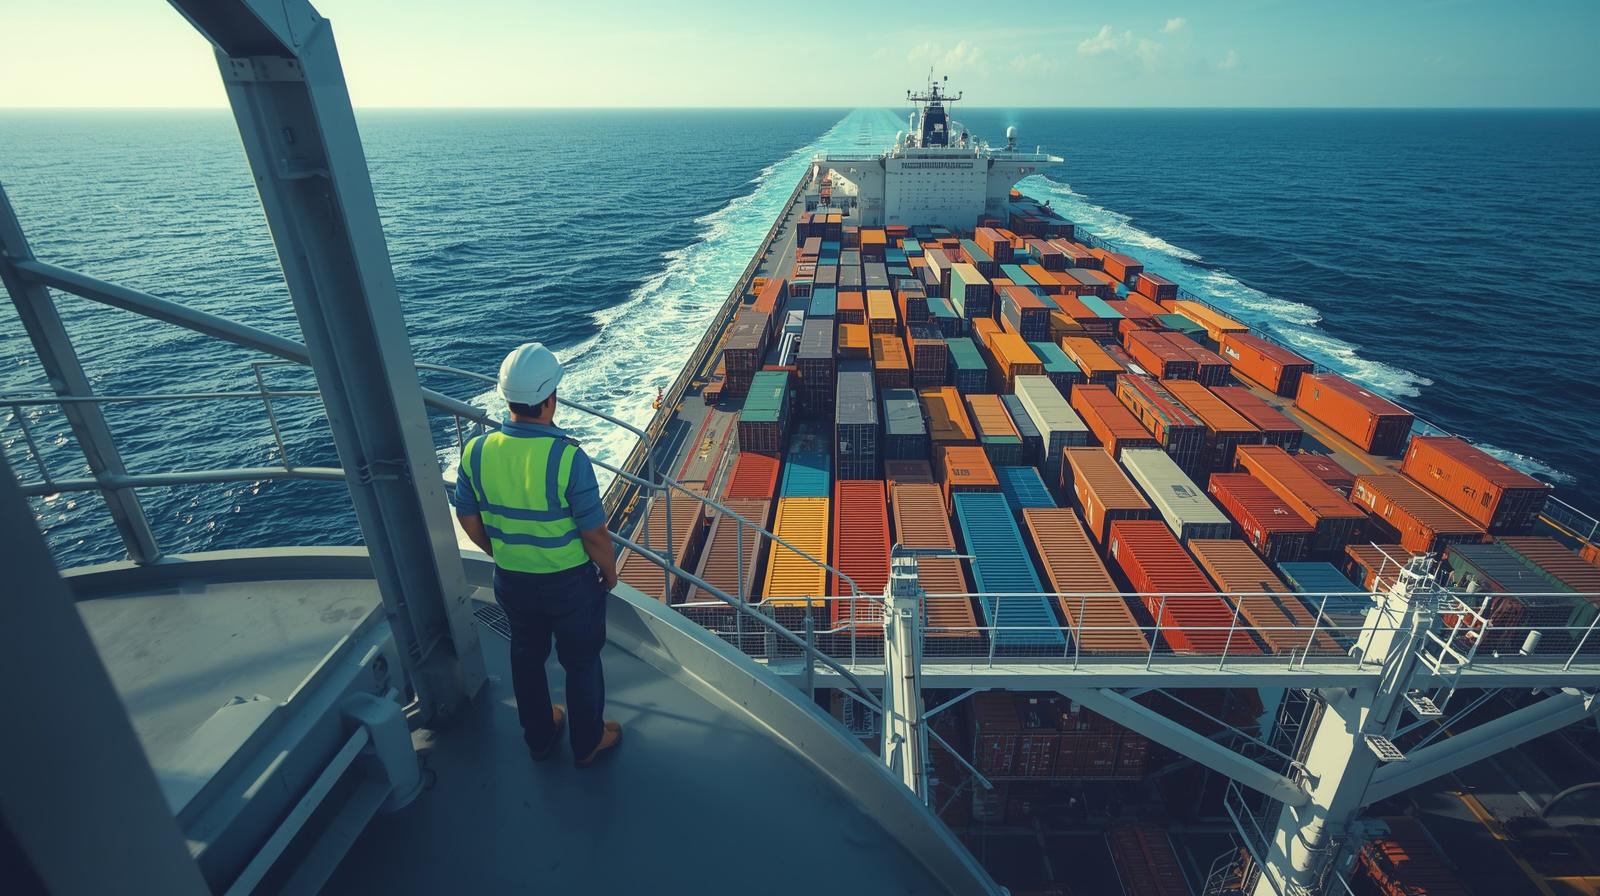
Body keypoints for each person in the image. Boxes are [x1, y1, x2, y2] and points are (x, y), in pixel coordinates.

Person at [453, 342, 622, 767]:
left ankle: (540, 737)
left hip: (512, 580)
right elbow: (594, 534)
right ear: (549, 400)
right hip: (570, 585)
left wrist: (501, 551)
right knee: (581, 662)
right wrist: (609, 571)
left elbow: (467, 517)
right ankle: (587, 742)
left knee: (526, 656)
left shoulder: (476, 450)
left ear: (507, 398)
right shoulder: (568, 457)